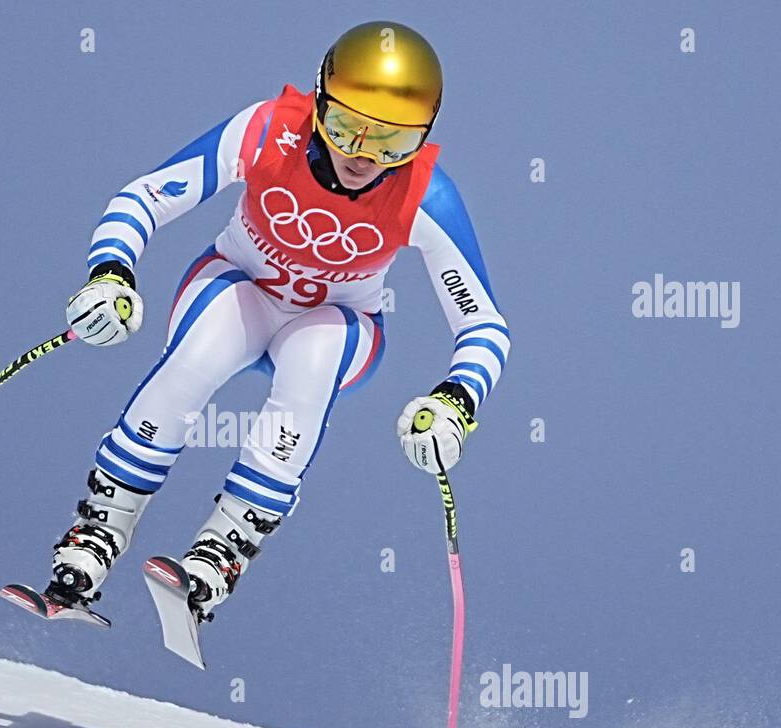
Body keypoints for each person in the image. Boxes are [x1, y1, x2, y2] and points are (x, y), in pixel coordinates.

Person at [42, 20, 510, 627]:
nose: (362, 156)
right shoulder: (267, 130)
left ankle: (225, 548)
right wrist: (111, 272)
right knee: (200, 355)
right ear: (317, 102)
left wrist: (456, 402)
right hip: (237, 286)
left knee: (314, 359)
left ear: (423, 139)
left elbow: (483, 326)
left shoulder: (426, 196)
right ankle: (99, 531)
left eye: (393, 142)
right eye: (345, 127)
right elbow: (146, 196)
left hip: (335, 322)